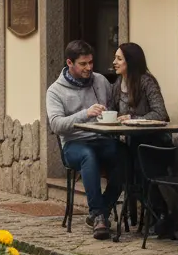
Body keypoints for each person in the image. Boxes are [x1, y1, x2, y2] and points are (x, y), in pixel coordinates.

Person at [46, 39, 122, 241]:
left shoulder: (101, 81)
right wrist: (85, 114)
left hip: (101, 139)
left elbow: (113, 107)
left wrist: (118, 116)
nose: (89, 68)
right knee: (88, 156)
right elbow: (56, 125)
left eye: (91, 62)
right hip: (73, 145)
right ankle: (98, 215)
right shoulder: (55, 91)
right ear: (69, 63)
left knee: (125, 154)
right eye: (83, 64)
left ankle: (102, 210)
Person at [112, 42, 176, 239]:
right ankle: (152, 214)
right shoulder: (118, 84)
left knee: (142, 164)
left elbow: (161, 113)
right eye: (115, 58)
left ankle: (160, 213)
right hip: (132, 142)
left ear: (131, 61)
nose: (114, 62)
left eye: (119, 58)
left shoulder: (147, 82)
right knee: (120, 160)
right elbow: (114, 111)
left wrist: (133, 118)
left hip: (155, 142)